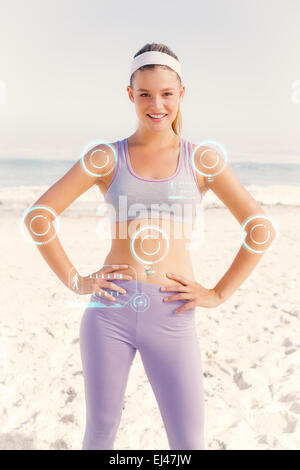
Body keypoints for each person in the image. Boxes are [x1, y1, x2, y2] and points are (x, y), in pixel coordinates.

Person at [24, 42, 276, 450]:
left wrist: (217, 293)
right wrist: (76, 281)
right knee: (101, 431)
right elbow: (39, 217)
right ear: (130, 95)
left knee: (187, 443)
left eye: (166, 93)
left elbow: (259, 229)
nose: (155, 104)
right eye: (144, 94)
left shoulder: (201, 160)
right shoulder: (107, 157)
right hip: (109, 313)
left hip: (174, 315)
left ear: (181, 94)